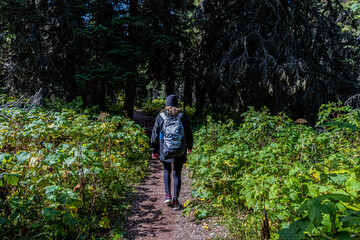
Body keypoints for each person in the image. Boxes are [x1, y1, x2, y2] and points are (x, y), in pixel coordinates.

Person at [150, 94, 193, 211]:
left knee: (167, 170)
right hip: (180, 149)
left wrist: (154, 150)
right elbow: (188, 133)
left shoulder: (161, 116)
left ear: (166, 104)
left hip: (165, 149)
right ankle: (176, 201)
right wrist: (189, 147)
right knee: (177, 173)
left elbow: (154, 134)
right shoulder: (182, 117)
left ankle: (168, 195)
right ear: (176, 104)